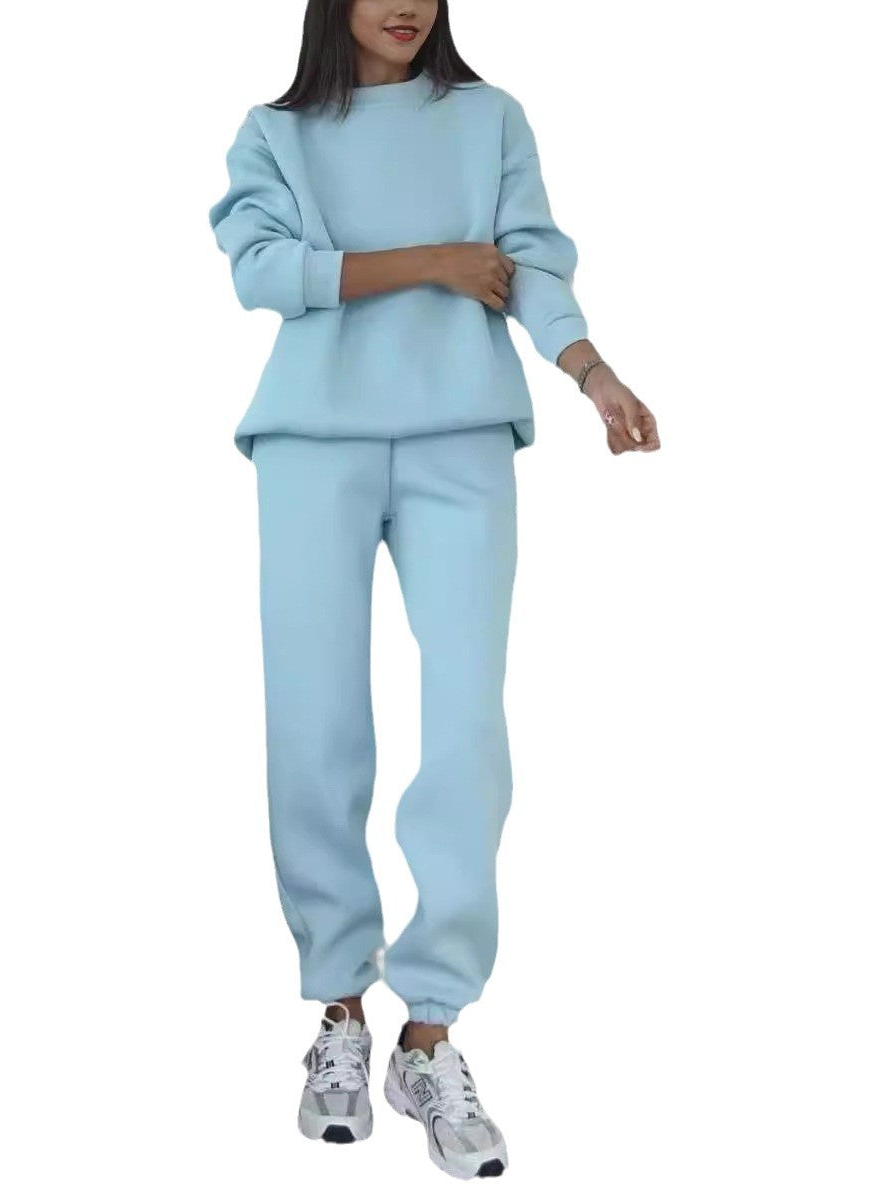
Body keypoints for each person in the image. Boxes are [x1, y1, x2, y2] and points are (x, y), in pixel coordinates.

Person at [208, 0, 660, 1180]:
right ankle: (338, 1012)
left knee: (465, 726)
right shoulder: (275, 132)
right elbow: (264, 273)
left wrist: (594, 375)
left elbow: (534, 264)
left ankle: (431, 1030)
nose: (404, 3)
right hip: (313, 441)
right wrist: (431, 263)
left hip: (462, 435)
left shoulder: (489, 118)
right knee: (315, 723)